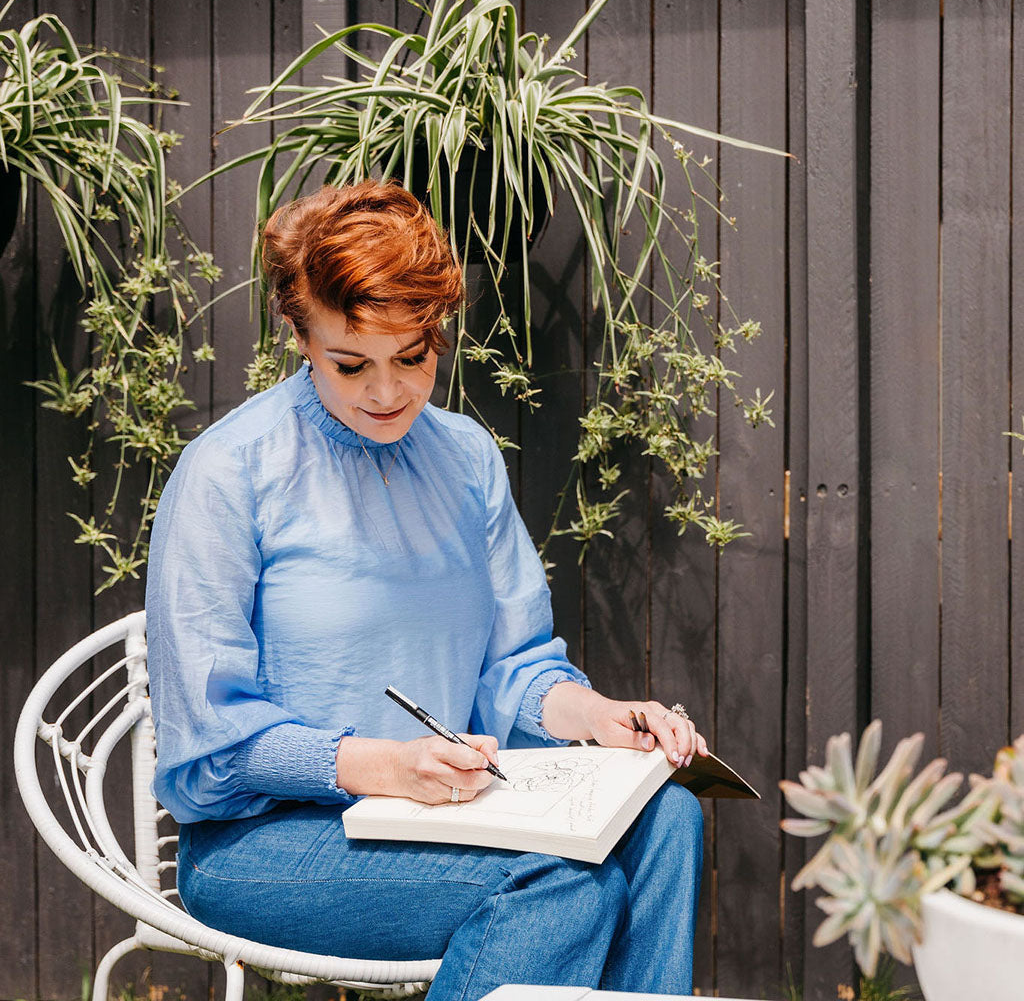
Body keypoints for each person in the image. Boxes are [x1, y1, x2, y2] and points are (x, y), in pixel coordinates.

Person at [146, 180, 707, 999]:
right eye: (350, 364)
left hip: (442, 816)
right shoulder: (228, 473)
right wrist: (385, 766)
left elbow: (514, 668)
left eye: (412, 356)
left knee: (668, 820)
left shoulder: (466, 457)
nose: (386, 393)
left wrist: (599, 717)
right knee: (558, 885)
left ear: (438, 330)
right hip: (263, 843)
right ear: (299, 336)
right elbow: (211, 743)